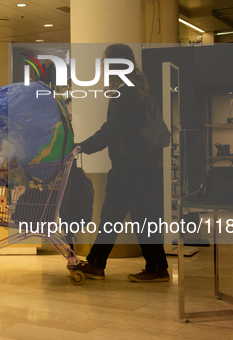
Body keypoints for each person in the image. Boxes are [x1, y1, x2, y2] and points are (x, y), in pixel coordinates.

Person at [75, 43, 169, 283]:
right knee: (111, 214)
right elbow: (116, 130)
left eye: (105, 61)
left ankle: (157, 268)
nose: (103, 66)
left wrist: (82, 146)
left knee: (143, 216)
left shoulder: (126, 92)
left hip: (133, 163)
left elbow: (112, 128)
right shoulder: (129, 88)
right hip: (126, 163)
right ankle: (96, 263)